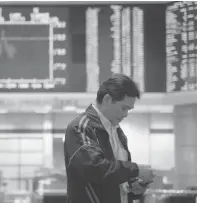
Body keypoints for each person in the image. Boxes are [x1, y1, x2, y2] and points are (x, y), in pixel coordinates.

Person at [64, 74, 155, 203]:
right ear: (107, 99)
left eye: (129, 109)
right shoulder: (81, 126)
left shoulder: (118, 132)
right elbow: (95, 168)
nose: (125, 114)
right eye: (124, 108)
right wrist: (136, 170)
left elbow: (113, 179)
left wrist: (131, 186)